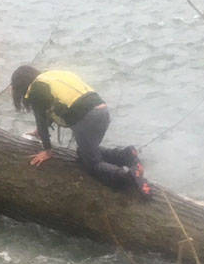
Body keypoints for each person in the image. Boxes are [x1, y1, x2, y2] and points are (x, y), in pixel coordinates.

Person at [10, 65, 148, 194]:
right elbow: (55, 106)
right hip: (102, 110)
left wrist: (47, 151)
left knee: (92, 164)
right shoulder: (51, 76)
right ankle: (127, 154)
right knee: (86, 151)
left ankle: (128, 177)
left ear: (22, 84)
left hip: (87, 118)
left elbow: (40, 118)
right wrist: (39, 131)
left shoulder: (35, 90)